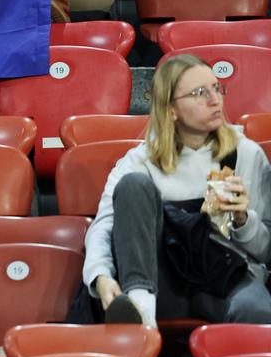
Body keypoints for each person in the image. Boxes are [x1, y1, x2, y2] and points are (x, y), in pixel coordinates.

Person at [84, 54, 271, 327]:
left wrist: (244, 221)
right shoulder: (139, 161)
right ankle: (141, 308)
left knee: (259, 312)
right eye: (199, 93)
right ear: (171, 110)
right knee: (133, 186)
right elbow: (104, 228)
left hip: (225, 273)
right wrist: (100, 275)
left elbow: (266, 252)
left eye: (217, 88)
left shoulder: (246, 154)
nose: (214, 99)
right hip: (163, 281)